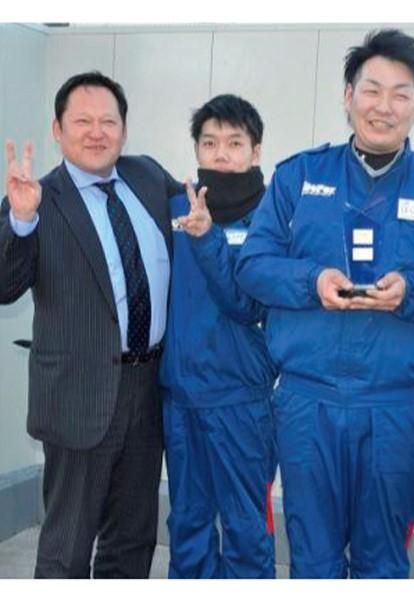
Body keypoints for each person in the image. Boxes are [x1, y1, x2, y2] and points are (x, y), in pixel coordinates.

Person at [236, 28, 414, 578]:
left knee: (382, 562)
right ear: (348, 96)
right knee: (312, 559)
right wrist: (312, 281)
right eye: (371, 90)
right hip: (307, 404)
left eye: (401, 94)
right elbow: (253, 265)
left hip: (397, 409)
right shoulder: (298, 178)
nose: (384, 106)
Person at [0, 71, 180, 578]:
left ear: (124, 129)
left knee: (133, 540)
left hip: (148, 389)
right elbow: (5, 285)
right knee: (68, 549)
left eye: (108, 121)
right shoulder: (37, 197)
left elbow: (207, 209)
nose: (97, 132)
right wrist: (20, 221)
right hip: (78, 396)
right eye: (82, 122)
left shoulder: (148, 178)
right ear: (57, 130)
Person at [159, 94, 277, 578]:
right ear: (196, 150)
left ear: (256, 150)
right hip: (180, 397)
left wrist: (208, 238)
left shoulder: (273, 217)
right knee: (187, 526)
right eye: (209, 143)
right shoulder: (173, 208)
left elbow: (248, 304)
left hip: (240, 401)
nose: (221, 154)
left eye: (234, 142)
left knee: (247, 531)